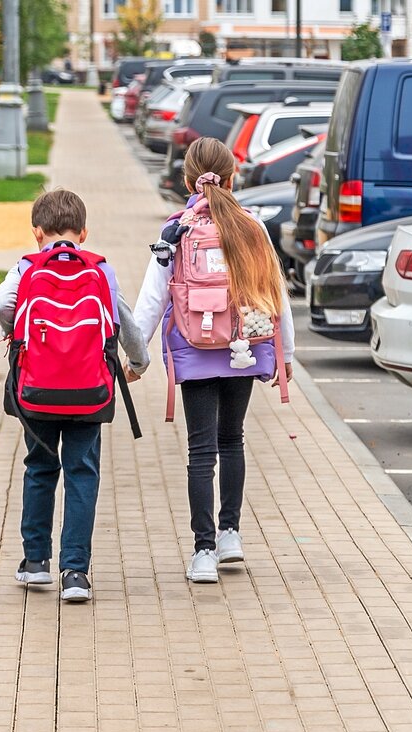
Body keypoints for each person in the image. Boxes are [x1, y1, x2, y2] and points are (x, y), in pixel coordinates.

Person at [130, 137, 295, 584]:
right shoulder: (252, 227)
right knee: (233, 439)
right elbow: (276, 292)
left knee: (200, 450)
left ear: (187, 180)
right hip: (245, 345)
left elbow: (151, 299)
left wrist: (138, 358)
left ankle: (203, 552)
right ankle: (230, 536)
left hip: (194, 347)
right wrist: (287, 353)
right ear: (232, 177)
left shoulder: (175, 230)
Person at [0, 189, 150, 602]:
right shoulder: (100, 269)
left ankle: (36, 562)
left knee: (40, 467)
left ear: (37, 233)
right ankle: (75, 572)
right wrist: (139, 362)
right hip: (89, 389)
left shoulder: (27, 266)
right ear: (83, 232)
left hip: (38, 387)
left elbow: (0, 303)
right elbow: (122, 320)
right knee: (82, 472)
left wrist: (17, 333)